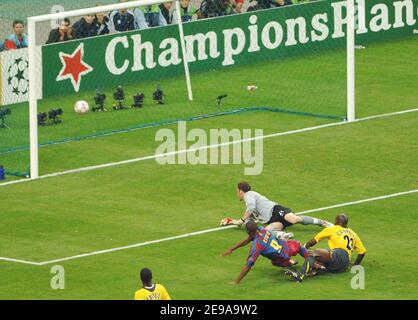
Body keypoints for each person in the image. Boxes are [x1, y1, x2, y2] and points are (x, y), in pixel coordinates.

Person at [221, 182, 332, 239]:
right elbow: (247, 221)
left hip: (275, 210)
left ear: (241, 191)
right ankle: (282, 235)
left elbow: (250, 208)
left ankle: (322, 223)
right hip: (272, 220)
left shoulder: (249, 195)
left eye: (237, 191)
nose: (237, 194)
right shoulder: (249, 203)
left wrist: (240, 219)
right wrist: (231, 221)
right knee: (265, 231)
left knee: (294, 219)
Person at [285, 213, 367, 282]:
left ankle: (300, 275)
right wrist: (355, 265)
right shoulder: (353, 233)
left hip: (339, 254)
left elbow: (314, 240)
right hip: (343, 266)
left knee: (314, 253)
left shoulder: (333, 229)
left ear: (336, 221)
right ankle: (317, 269)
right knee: (315, 259)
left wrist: (304, 246)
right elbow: (362, 252)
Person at [223, 221, 309, 284]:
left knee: (277, 262)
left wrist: (237, 281)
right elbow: (247, 240)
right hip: (285, 245)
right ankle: (311, 259)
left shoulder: (257, 245)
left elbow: (248, 266)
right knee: (299, 246)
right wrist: (232, 249)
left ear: (248, 232)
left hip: (282, 257)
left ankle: (294, 263)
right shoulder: (262, 229)